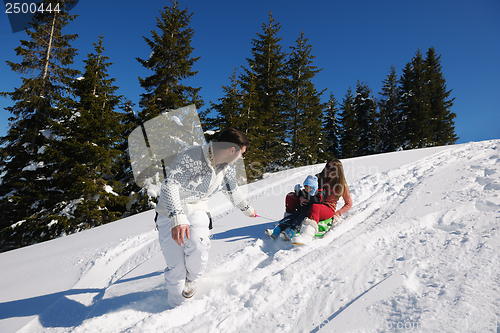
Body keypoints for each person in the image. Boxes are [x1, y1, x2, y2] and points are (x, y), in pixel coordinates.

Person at [155, 127, 257, 307]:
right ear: (231, 150)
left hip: (197, 208)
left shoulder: (228, 168)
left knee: (198, 244)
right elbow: (170, 185)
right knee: (176, 267)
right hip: (169, 210)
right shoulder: (192, 155)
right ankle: (176, 308)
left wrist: (247, 208)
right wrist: (177, 217)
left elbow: (232, 191)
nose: (241, 158)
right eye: (241, 153)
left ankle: (192, 279)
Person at [290, 158, 353, 245]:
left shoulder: (342, 185)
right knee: (291, 196)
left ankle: (307, 235)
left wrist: (338, 213)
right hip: (312, 203)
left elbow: (349, 203)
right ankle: (287, 223)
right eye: (328, 166)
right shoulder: (318, 177)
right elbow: (306, 189)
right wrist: (301, 197)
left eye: (333, 168)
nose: (329, 169)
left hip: (327, 209)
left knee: (315, 207)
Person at [265, 175, 323, 240]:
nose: (306, 190)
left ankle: (290, 234)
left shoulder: (316, 195)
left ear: (314, 188)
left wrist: (312, 195)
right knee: (288, 219)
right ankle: (275, 231)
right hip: (299, 211)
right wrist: (297, 190)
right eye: (305, 187)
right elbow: (299, 194)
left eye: (309, 188)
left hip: (306, 214)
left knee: (297, 222)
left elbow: (317, 202)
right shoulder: (305, 191)